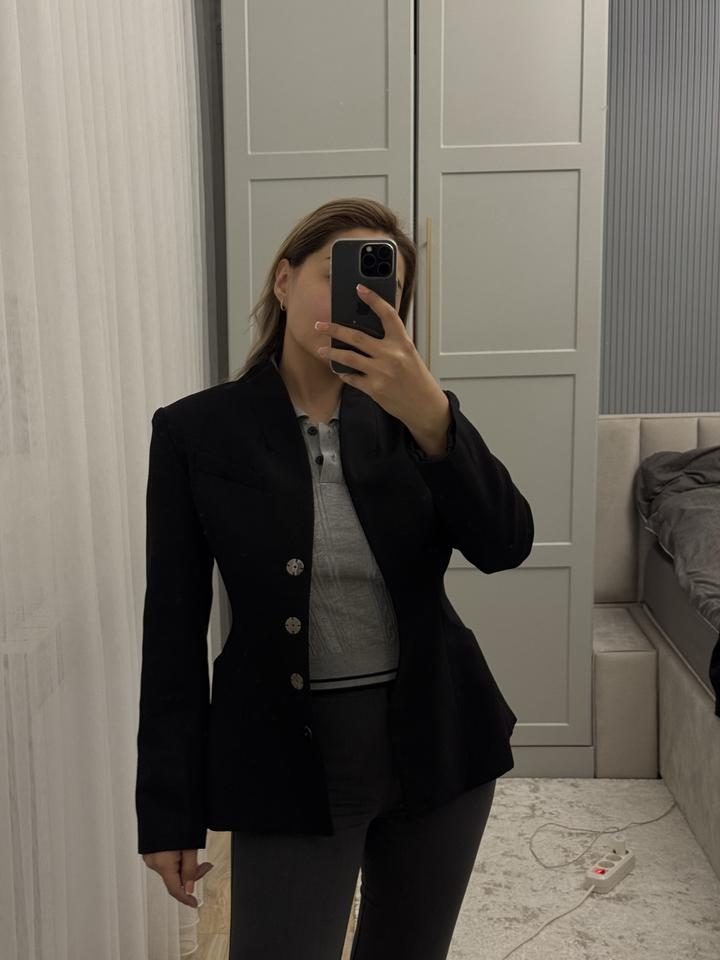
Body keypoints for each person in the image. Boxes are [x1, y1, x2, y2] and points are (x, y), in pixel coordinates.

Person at [137, 197, 533, 959]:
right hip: (288, 756)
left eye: (382, 284)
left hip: (439, 740)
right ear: (284, 281)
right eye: (334, 272)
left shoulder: (418, 419)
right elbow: (173, 628)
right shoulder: (196, 432)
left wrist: (435, 419)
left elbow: (504, 545)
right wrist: (168, 809)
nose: (356, 296)